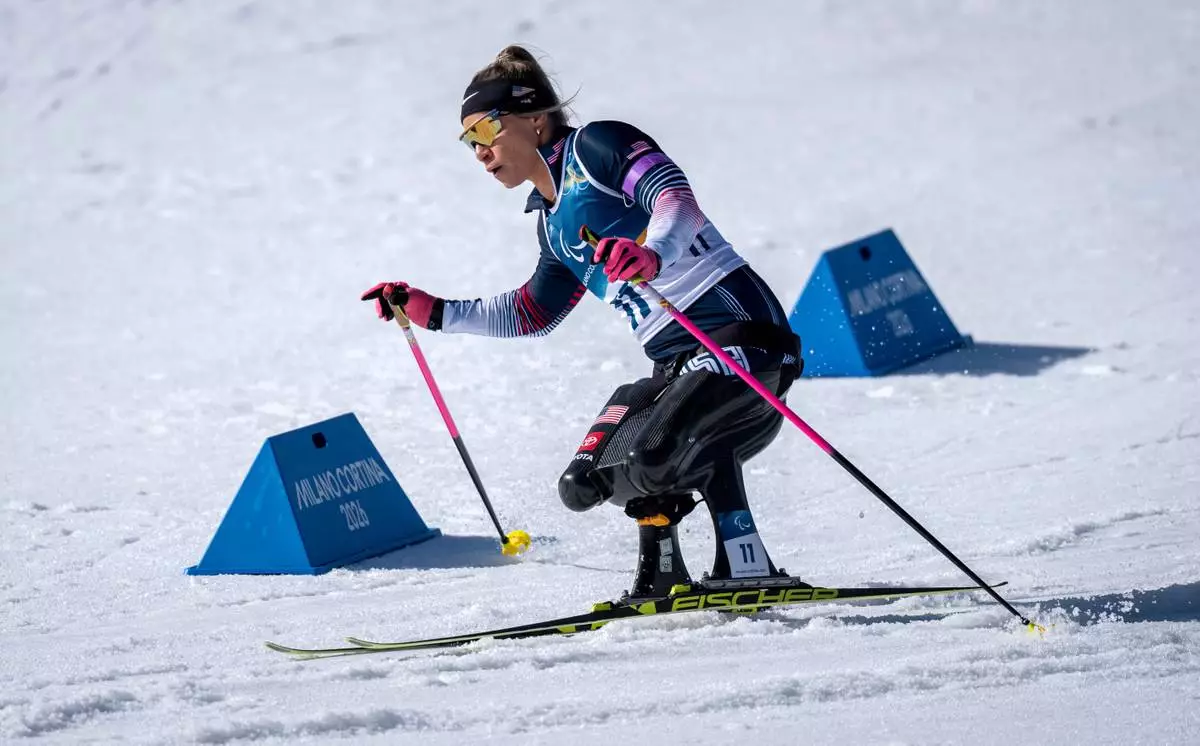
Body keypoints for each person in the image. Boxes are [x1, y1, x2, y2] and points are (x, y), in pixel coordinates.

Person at [363, 46, 804, 599]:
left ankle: (745, 563)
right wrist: (433, 312)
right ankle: (668, 570)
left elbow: (674, 199)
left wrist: (653, 255)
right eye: (468, 141)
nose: (479, 152)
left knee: (655, 451)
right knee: (588, 477)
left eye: (485, 132)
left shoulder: (598, 147)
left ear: (534, 117)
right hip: (677, 361)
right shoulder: (551, 225)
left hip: (740, 331)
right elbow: (532, 312)